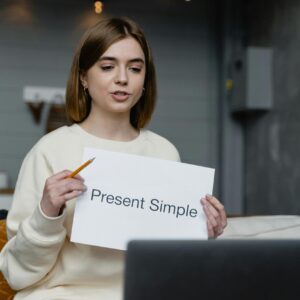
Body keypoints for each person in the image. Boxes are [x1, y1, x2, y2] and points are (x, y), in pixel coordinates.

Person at [0, 16, 227, 299]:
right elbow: (17, 274)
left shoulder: (165, 153)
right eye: (107, 67)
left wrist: (200, 234)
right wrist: (47, 213)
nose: (122, 78)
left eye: (135, 68)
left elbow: (173, 265)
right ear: (83, 77)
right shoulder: (49, 151)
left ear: (145, 80)